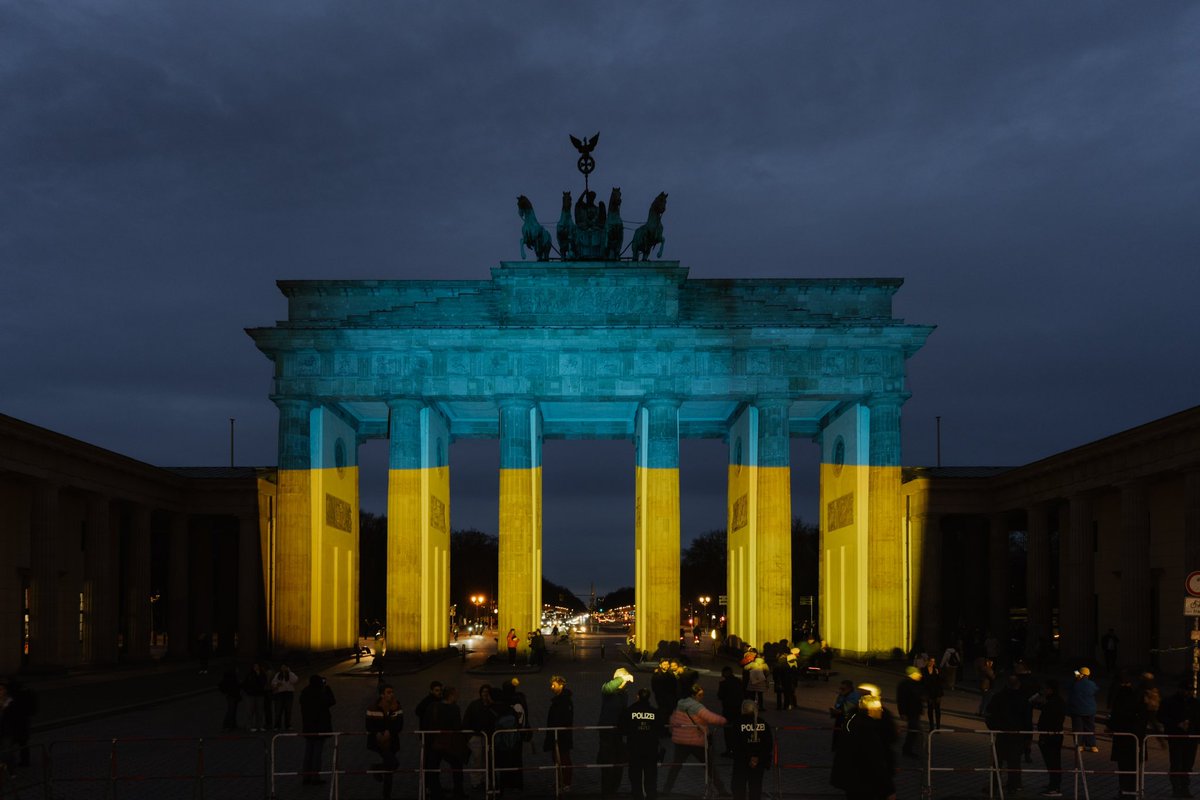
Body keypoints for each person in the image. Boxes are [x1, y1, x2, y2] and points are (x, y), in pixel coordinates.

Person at [662, 682, 728, 796]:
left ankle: (666, 790)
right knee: (709, 766)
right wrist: (724, 721)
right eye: (700, 695)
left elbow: (672, 720)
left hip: (681, 742)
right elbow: (712, 718)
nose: (701, 697)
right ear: (694, 695)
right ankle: (722, 790)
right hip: (696, 741)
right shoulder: (697, 707)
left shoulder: (680, 704)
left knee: (675, 767)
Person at [830, 691, 897, 800]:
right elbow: (875, 761)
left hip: (850, 778)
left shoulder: (852, 721)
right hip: (864, 781)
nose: (881, 711)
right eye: (878, 709)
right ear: (870, 710)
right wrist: (889, 789)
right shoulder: (867, 730)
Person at [986, 675, 1029, 794]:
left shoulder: (999, 697)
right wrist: (1027, 737)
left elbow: (989, 713)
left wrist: (993, 727)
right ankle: (1014, 785)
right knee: (1014, 761)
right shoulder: (1023, 699)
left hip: (1002, 733)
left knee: (997, 760)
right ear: (1018, 684)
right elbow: (1027, 719)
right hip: (1017, 734)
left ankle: (994, 784)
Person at [1108, 669, 1147, 797]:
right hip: (1136, 740)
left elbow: (1116, 717)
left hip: (1124, 740)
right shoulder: (1137, 697)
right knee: (1134, 768)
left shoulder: (1121, 698)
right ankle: (1133, 791)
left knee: (1125, 769)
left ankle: (1125, 792)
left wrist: (1111, 727)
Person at [1159, 677, 1200, 798]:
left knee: (1188, 765)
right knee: (1176, 764)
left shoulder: (1195, 703)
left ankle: (1185, 789)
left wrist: (1192, 726)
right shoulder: (1169, 701)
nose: (1189, 692)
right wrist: (1177, 724)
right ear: (1180, 689)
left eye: (1191, 690)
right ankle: (1176, 789)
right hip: (1176, 737)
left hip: (1191, 739)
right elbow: (1161, 716)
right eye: (1186, 690)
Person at [424, 686, 467, 799]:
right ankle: (458, 791)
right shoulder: (454, 708)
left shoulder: (432, 706)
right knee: (457, 766)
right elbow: (457, 727)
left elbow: (426, 721)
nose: (457, 697)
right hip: (450, 743)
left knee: (433, 767)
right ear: (451, 695)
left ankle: (435, 792)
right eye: (456, 695)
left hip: (435, 742)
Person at [623, 688, 664, 800]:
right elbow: (661, 730)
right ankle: (651, 795)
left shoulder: (630, 711)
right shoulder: (654, 712)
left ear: (637, 696)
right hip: (651, 749)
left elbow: (622, 728)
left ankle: (637, 795)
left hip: (634, 748)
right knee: (651, 775)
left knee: (635, 775)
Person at [599, 668, 634, 797]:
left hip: (618, 732)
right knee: (608, 763)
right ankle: (607, 791)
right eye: (624, 681)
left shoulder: (623, 693)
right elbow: (607, 688)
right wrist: (622, 678)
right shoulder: (608, 690)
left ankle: (613, 789)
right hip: (607, 731)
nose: (625, 684)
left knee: (618, 762)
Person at [366, 683, 405, 800]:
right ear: (382, 695)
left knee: (390, 767)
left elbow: (399, 724)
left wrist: (390, 731)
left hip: (392, 741)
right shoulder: (373, 707)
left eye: (392, 692)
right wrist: (378, 732)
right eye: (389, 692)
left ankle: (386, 792)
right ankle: (377, 769)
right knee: (392, 763)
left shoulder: (396, 706)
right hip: (378, 742)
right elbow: (369, 725)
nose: (391, 695)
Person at [1031, 678, 1067, 797]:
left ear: (1050, 689)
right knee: (1051, 762)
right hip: (1050, 735)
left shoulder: (1054, 702)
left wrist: (1046, 733)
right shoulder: (1053, 700)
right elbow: (1032, 702)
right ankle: (1053, 784)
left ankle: (1055, 787)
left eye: (1045, 688)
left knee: (1053, 762)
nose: (1043, 691)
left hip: (1051, 736)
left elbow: (1052, 720)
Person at [732, 699, 773, 800]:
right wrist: (757, 758)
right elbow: (768, 744)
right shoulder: (763, 723)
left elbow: (735, 744)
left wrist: (749, 757)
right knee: (755, 788)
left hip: (742, 762)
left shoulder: (738, 723)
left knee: (738, 788)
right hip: (759, 763)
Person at [299, 674, 335, 785]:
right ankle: (315, 776)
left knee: (308, 751)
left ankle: (306, 776)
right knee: (317, 753)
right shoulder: (321, 692)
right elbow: (331, 701)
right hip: (320, 726)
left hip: (308, 726)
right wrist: (327, 689)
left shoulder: (305, 692)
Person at [463, 685, 498, 791]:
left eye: (487, 692)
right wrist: (469, 737)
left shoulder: (492, 706)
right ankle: (476, 782)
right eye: (483, 692)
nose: (485, 694)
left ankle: (483, 780)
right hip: (476, 737)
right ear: (480, 693)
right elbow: (466, 720)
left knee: (486, 760)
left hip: (489, 737)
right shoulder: (474, 705)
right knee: (477, 760)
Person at [544, 676, 574, 793]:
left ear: (561, 685)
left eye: (554, 685)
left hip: (562, 735)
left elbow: (564, 719)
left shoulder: (564, 701)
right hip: (556, 733)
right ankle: (560, 782)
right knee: (556, 759)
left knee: (564, 759)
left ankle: (566, 783)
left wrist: (558, 730)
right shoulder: (560, 700)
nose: (552, 687)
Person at [1067, 666, 1100, 752]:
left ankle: (1079, 746)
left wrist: (1076, 679)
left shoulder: (1075, 683)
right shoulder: (1091, 684)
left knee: (1078, 728)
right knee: (1090, 728)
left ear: (1080, 674)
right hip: (1090, 710)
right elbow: (1096, 690)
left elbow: (1067, 687)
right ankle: (1092, 746)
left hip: (1077, 710)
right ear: (1088, 675)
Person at [896, 666, 924, 758]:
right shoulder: (904, 685)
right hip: (910, 712)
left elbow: (918, 697)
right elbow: (901, 700)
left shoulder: (916, 684)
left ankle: (911, 749)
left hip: (915, 711)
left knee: (915, 731)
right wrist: (902, 713)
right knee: (913, 731)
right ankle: (908, 750)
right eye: (917, 674)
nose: (920, 675)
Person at [717, 666, 744, 757]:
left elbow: (720, 696)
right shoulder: (739, 682)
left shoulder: (723, 684)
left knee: (728, 731)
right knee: (737, 729)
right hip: (738, 709)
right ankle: (738, 748)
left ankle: (730, 749)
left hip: (728, 710)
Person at [829, 680, 861, 752]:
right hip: (840, 718)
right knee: (837, 735)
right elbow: (838, 704)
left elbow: (850, 708)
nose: (840, 690)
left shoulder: (854, 696)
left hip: (849, 720)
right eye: (840, 688)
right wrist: (835, 710)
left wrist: (839, 711)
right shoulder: (843, 694)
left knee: (846, 737)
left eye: (843, 689)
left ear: (849, 688)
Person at [243, 663, 270, 732]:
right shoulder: (249, 674)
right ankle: (249, 726)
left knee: (260, 711)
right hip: (251, 695)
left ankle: (259, 726)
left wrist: (259, 676)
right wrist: (248, 691)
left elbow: (264, 682)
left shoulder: (262, 674)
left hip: (260, 695)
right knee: (250, 711)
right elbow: (245, 683)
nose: (256, 668)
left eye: (257, 666)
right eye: (255, 666)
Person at [271, 664, 300, 730]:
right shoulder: (278, 674)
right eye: (282, 667)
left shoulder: (290, 674)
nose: (283, 668)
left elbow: (295, 680)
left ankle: (288, 725)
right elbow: (273, 683)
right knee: (278, 710)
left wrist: (289, 672)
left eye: (285, 667)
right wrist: (277, 684)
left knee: (288, 710)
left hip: (288, 693)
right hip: (280, 693)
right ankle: (277, 725)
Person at [218, 666, 242, 731]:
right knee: (231, 711)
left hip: (233, 695)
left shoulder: (232, 677)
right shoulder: (232, 678)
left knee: (232, 711)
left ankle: (232, 725)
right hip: (232, 696)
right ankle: (227, 725)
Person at [923, 658, 944, 730]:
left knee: (937, 710)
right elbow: (922, 682)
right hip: (929, 693)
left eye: (933, 661)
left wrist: (938, 673)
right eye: (931, 661)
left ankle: (938, 727)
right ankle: (931, 726)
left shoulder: (936, 669)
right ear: (927, 661)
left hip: (937, 692)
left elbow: (940, 682)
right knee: (930, 710)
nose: (932, 663)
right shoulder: (924, 670)